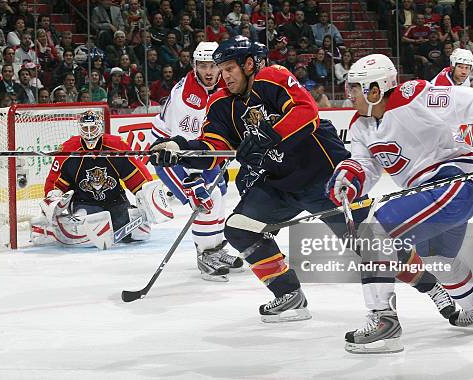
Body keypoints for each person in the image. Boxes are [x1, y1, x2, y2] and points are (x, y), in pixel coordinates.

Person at [149, 36, 371, 322]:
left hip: (324, 178)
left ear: (249, 64)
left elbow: (306, 113)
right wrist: (180, 150)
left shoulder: (273, 78)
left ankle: (439, 289)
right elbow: (215, 149)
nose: (222, 76)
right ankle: (288, 294)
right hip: (279, 185)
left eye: (229, 69)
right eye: (220, 69)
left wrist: (270, 136)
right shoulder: (220, 104)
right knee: (240, 228)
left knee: (367, 243)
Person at [332, 54, 473, 353]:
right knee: (438, 259)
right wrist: (350, 177)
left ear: (375, 89)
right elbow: (365, 163)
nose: (350, 96)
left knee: (374, 232)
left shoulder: (413, 96)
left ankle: (383, 322)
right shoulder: (361, 126)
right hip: (431, 194)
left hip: (453, 182)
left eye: (355, 89)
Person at [152, 41, 243, 281]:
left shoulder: (222, 84)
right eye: (203, 66)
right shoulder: (187, 97)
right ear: (194, 66)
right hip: (170, 155)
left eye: (213, 65)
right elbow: (183, 147)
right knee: (205, 198)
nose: (209, 71)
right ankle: (204, 256)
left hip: (200, 151)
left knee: (221, 193)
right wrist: (192, 181)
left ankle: (216, 248)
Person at [33, 111, 173, 249]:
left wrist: (147, 195)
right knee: (87, 230)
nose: (89, 133)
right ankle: (52, 230)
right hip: (85, 202)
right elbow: (55, 180)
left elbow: (135, 174)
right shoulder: (69, 149)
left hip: (116, 201)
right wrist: (53, 195)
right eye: (85, 128)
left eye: (92, 128)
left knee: (139, 233)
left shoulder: (116, 146)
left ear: (99, 127)